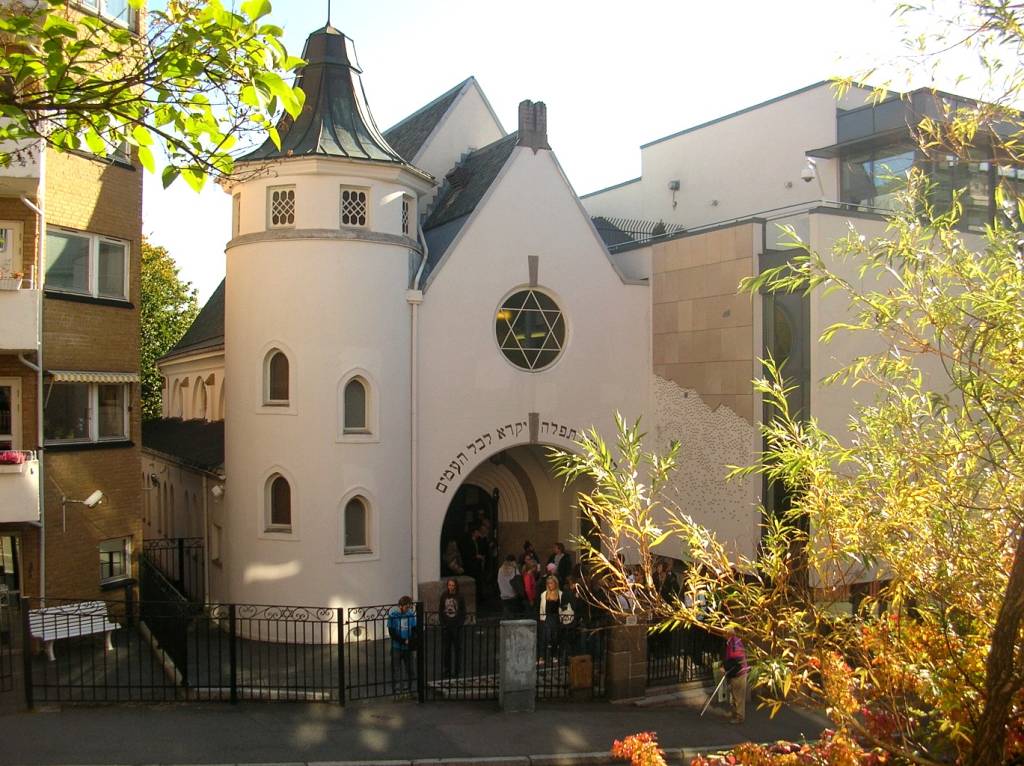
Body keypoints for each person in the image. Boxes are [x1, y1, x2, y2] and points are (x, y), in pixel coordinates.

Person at [387, 596, 417, 696]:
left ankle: (409, 688)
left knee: (410, 668)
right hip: (397, 646)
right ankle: (398, 689)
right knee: (396, 669)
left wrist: (411, 640)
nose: (407, 609)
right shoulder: (393, 615)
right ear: (400, 606)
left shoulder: (410, 614)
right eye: (406, 607)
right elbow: (392, 632)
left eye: (409, 607)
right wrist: (403, 641)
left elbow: (414, 629)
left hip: (407, 646)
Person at [437, 579, 465, 677]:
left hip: (456, 627)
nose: (451, 587)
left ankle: (457, 670)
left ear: (455, 586)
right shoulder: (444, 596)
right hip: (447, 626)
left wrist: (459, 624)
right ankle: (446, 670)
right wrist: (443, 623)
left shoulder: (460, 597)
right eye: (449, 585)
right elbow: (440, 610)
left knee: (457, 650)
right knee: (446, 650)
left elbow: (462, 612)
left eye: (453, 585)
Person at [723, 626, 750, 723]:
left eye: (724, 632)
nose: (723, 635)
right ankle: (735, 713)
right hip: (736, 671)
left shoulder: (734, 642)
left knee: (738, 696)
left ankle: (739, 717)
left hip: (739, 672)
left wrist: (726, 666)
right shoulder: (732, 642)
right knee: (734, 695)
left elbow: (737, 658)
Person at [537, 575, 562, 664]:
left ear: (555, 584)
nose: (550, 585)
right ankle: (542, 657)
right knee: (545, 637)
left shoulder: (560, 594)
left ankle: (554, 655)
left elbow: (562, 608)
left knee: (554, 638)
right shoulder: (544, 594)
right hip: (546, 617)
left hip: (555, 618)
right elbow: (541, 607)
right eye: (548, 583)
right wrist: (541, 618)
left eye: (551, 583)